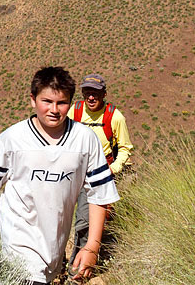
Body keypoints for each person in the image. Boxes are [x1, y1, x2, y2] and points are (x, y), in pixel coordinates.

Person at [0, 67, 119, 284]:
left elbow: (99, 195)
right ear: (33, 100)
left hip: (53, 245)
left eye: (61, 103)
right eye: (46, 101)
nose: (54, 110)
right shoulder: (12, 139)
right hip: (18, 241)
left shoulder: (85, 140)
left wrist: (92, 247)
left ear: (70, 103)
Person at [69, 73, 133, 264]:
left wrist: (112, 170)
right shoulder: (76, 111)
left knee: (84, 220)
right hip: (75, 171)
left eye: (95, 93)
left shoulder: (115, 117)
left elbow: (125, 148)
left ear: (104, 94)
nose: (91, 97)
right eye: (87, 92)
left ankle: (78, 266)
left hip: (100, 174)